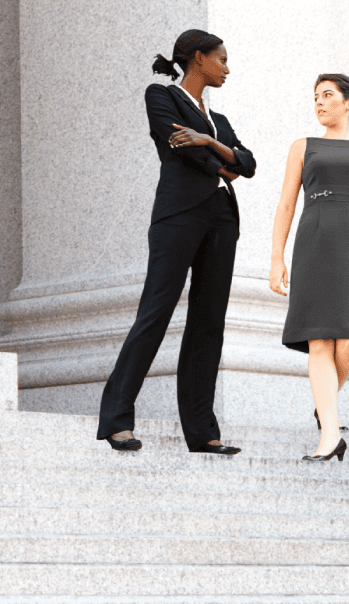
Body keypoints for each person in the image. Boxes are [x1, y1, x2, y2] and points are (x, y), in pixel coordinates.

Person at [96, 30, 256, 453]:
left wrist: (206, 140)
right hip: (179, 215)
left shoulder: (216, 121)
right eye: (221, 58)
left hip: (222, 219)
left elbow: (250, 163)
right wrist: (223, 159)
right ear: (199, 58)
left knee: (209, 323)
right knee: (156, 311)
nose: (227, 67)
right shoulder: (160, 95)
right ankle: (116, 419)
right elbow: (182, 150)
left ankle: (203, 432)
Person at [269, 73, 349, 462]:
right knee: (319, 340)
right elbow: (287, 204)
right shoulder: (302, 147)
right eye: (315, 97)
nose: (320, 103)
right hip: (314, 241)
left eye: (327, 95)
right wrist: (277, 257)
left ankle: (326, 407)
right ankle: (330, 434)